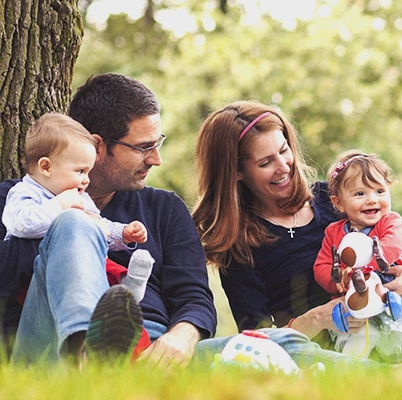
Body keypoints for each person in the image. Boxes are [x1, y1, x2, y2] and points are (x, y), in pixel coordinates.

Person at [0, 73, 217, 366]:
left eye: (157, 144)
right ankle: (90, 351)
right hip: (52, 350)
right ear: (98, 146)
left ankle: (122, 368)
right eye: (143, 147)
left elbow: (195, 298)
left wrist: (181, 338)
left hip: (152, 350)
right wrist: (59, 223)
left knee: (282, 344)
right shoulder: (16, 200)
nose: (156, 159)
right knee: (75, 223)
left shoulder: (165, 208)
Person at [191, 100, 402, 364]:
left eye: (284, 150)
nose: (284, 166)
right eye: (266, 162)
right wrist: (320, 317)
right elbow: (259, 342)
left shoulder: (334, 199)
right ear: (236, 172)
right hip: (314, 355)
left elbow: (392, 234)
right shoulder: (238, 246)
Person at [2, 112, 153, 304]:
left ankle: (126, 288)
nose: (86, 180)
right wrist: (60, 206)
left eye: (88, 172)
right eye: (80, 171)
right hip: (39, 273)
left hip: (78, 265)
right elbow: (21, 225)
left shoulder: (80, 197)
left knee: (100, 262)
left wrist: (122, 233)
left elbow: (98, 226)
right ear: (46, 167)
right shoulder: (23, 192)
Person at [313, 150, 402, 361]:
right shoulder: (333, 232)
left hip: (392, 301)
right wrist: (338, 279)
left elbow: (393, 245)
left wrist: (365, 268)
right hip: (356, 312)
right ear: (339, 203)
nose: (372, 200)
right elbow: (321, 267)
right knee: (355, 352)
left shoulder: (390, 222)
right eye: (360, 194)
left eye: (379, 191)